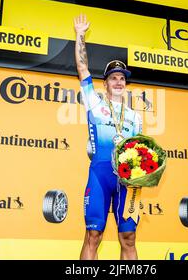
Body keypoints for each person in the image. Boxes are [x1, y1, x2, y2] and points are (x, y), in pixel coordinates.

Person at [74, 14, 143, 260]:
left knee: (129, 238)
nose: (119, 81)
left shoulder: (135, 116)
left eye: (122, 78)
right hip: (100, 174)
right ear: (105, 83)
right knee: (94, 235)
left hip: (127, 182)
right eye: (113, 77)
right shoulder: (94, 102)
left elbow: (140, 154)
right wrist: (80, 34)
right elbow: (82, 68)